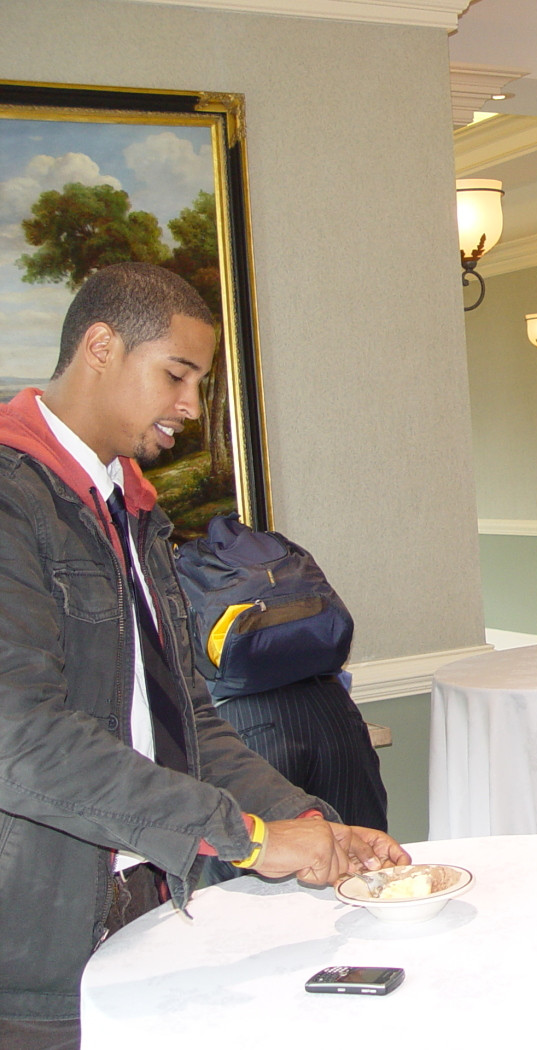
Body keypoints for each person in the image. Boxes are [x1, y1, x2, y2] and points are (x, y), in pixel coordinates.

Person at [0, 262, 409, 1049]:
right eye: (176, 375)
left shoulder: (133, 513)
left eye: (199, 382)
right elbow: (21, 739)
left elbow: (188, 722)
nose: (191, 406)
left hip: (145, 904)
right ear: (100, 347)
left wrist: (303, 821)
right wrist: (248, 837)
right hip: (32, 942)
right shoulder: (14, 498)